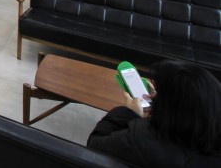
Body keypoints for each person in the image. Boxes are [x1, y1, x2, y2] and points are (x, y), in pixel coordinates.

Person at [87, 60, 221, 167]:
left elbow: (94, 145)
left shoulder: (141, 139)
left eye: (159, 94)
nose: (153, 96)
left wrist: (128, 112)